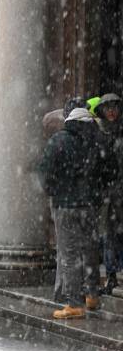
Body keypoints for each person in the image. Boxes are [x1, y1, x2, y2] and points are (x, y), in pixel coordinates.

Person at [39, 108, 108, 319]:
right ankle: (93, 295)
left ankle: (74, 303)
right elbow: (109, 171)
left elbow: (45, 171)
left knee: (68, 253)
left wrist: (54, 190)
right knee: (90, 249)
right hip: (90, 205)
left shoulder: (59, 140)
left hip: (66, 205)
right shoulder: (99, 141)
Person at [92, 93, 123, 295]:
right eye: (107, 107)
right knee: (107, 235)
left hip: (119, 192)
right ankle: (112, 275)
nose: (111, 110)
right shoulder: (97, 135)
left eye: (114, 106)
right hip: (105, 194)